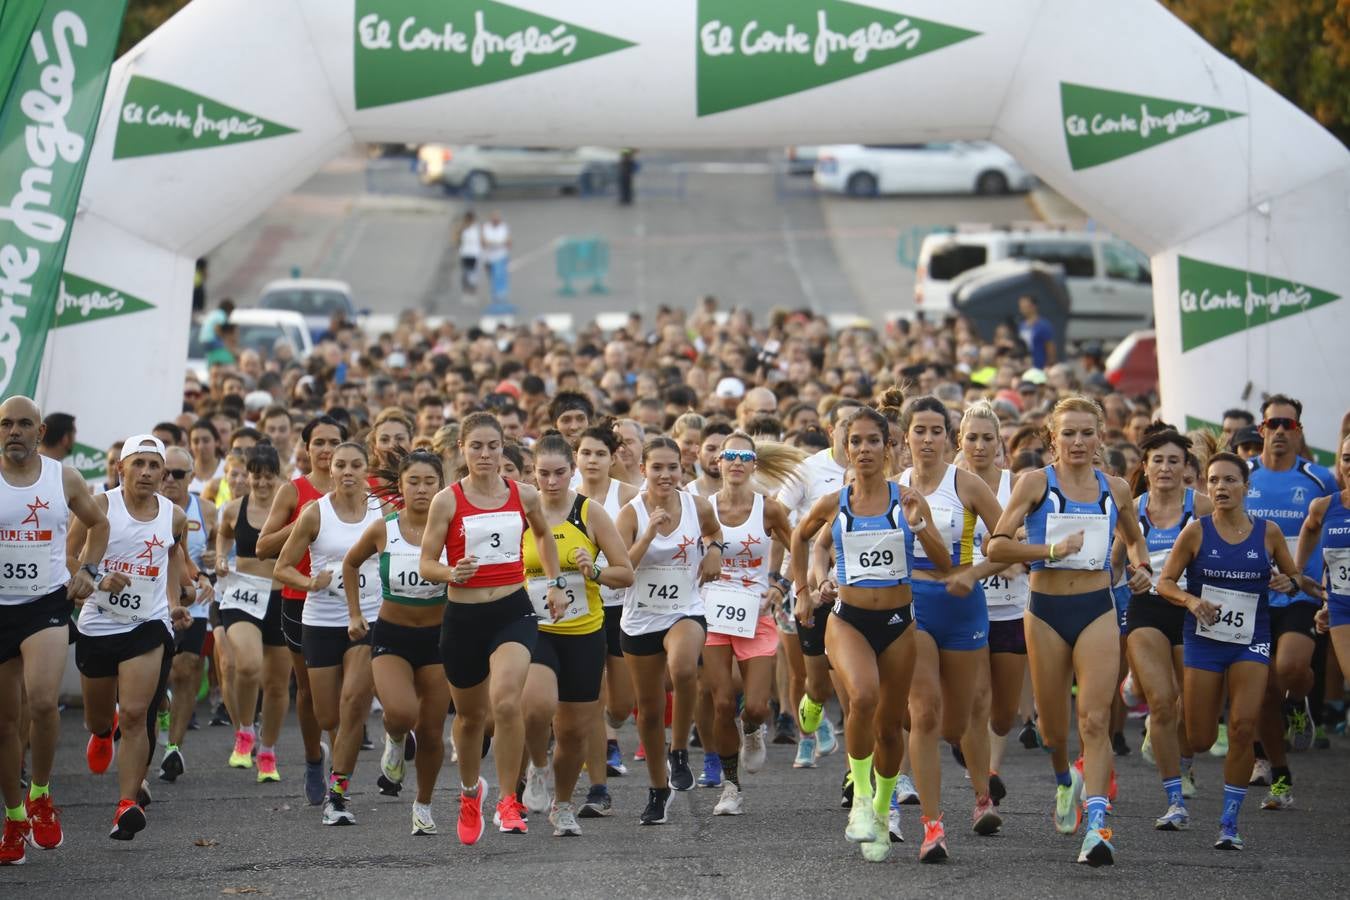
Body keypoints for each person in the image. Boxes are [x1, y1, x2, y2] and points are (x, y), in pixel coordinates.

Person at [987, 396, 1151, 867]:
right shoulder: (1035, 482)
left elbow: (1135, 538)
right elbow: (996, 545)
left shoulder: (1116, 488)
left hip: (1097, 608)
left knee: (1095, 719)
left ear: (1101, 436)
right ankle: (1065, 780)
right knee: (1053, 730)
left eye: (1087, 432)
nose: (1078, 442)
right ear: (1052, 438)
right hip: (1045, 612)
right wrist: (1051, 551)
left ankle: (1098, 825)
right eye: (1068, 433)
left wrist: (1139, 567)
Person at [792, 407, 949, 863]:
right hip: (848, 620)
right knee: (861, 698)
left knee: (890, 725)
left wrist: (919, 525)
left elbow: (941, 561)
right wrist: (804, 589)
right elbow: (800, 538)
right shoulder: (833, 502)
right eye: (855, 441)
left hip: (900, 623)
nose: (863, 449)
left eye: (872, 441)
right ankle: (861, 798)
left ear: (889, 447)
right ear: (845, 447)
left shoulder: (909, 499)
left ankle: (882, 812)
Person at [419, 412, 568, 844]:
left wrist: (556, 583)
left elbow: (543, 537)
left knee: (506, 702)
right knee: (469, 718)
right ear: (462, 450)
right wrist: (451, 573)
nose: (486, 455)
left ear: (504, 448)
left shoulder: (524, 495)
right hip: (463, 618)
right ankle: (471, 793)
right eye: (477, 447)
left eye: (493, 446)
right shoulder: (447, 500)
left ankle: (508, 799)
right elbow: (427, 562)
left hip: (512, 611)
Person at [1158, 452, 1301, 850]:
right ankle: (1183, 773)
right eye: (1213, 481)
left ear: (1245, 488)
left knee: (1241, 726)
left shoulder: (1268, 533)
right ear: (1205, 486)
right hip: (1204, 641)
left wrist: (1287, 584)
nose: (1220, 487)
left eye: (1229, 480)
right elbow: (1165, 582)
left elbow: (1292, 576)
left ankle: (1229, 822)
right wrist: (1189, 601)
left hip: (1250, 641)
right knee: (1201, 736)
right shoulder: (1196, 532)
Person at [0, 398, 107, 864]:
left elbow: (98, 524)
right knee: (4, 724)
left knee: (42, 701)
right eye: (6, 424)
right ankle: (14, 816)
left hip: (45, 602)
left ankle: (41, 794)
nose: (15, 431)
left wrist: (91, 571)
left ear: (40, 431)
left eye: (24, 424)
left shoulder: (62, 477)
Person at [897, 397, 1005, 848]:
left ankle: (982, 797)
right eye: (918, 430)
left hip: (962, 605)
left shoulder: (968, 485)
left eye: (935, 431)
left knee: (961, 722)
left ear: (949, 437)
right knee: (923, 713)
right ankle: (932, 825)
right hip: (912, 603)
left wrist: (974, 572)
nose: (927, 439)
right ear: (906, 437)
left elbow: (1006, 544)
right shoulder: (892, 487)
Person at [72, 435, 192, 841]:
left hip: (148, 623)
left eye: (154, 465)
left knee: (138, 713)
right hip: (99, 624)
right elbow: (67, 554)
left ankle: (126, 805)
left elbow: (172, 557)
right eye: (137, 463)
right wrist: (96, 578)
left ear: (163, 473)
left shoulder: (173, 516)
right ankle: (103, 732)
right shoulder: (102, 506)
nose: (146, 472)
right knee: (100, 717)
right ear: (121, 469)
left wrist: (174, 601)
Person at [518, 434, 633, 835]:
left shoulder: (591, 512)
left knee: (572, 731)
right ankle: (535, 765)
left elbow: (625, 572)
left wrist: (594, 571)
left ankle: (562, 805)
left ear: (572, 471)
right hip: (534, 628)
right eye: (544, 474)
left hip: (584, 631)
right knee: (536, 706)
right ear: (533, 473)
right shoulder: (520, 512)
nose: (551, 482)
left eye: (560, 473)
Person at [614, 436, 724, 825]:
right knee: (647, 710)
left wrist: (714, 552)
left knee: (682, 668)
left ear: (682, 469)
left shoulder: (697, 506)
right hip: (641, 616)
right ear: (643, 470)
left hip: (685, 608)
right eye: (656, 467)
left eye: (672, 467)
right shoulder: (630, 514)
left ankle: (679, 749)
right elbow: (619, 571)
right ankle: (658, 789)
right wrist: (648, 534)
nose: (665, 475)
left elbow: (714, 533)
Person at [274, 442, 382, 826]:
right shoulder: (314, 512)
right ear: (330, 469)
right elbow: (282, 568)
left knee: (353, 702)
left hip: (367, 617)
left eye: (356, 465)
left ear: (367, 469)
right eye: (341, 465)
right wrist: (309, 581)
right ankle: (325, 759)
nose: (348, 471)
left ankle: (338, 793)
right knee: (327, 714)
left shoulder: (381, 510)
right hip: (320, 619)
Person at [344, 450, 449, 836]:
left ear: (442, 485)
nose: (421, 490)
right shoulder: (383, 528)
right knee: (403, 713)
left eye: (429, 482)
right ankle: (394, 738)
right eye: (414, 482)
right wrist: (355, 614)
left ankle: (423, 804)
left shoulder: (453, 529)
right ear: (401, 486)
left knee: (433, 730)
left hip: (439, 638)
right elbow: (351, 563)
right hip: (392, 633)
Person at [1243, 395, 1334, 807]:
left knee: (1290, 669)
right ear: (1261, 430)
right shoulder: (1241, 476)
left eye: (1289, 425)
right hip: (1250, 596)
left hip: (1300, 593)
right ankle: (1278, 774)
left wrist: (1317, 580)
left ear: (1299, 432)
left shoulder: (1319, 480)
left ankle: (1297, 704)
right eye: (1273, 424)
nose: (1280, 431)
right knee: (1260, 691)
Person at [701, 433, 797, 816]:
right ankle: (730, 786)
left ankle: (753, 729)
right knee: (722, 702)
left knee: (755, 706)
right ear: (718, 463)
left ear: (754, 464)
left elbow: (800, 546)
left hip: (756, 614)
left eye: (745, 456)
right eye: (730, 456)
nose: (736, 462)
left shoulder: (768, 510)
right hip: (713, 613)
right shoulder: (702, 507)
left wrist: (782, 584)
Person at [1123, 428, 1213, 830]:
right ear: (1146, 466)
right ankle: (1174, 798)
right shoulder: (1133, 509)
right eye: (1157, 460)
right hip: (1147, 612)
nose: (1164, 467)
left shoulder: (1204, 508)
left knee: (1194, 721)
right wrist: (1128, 578)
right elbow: (1112, 563)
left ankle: (1186, 757)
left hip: (1194, 614)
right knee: (1162, 701)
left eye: (1173, 461)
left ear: (1186, 468)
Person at [257, 416, 347, 807]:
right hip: (301, 600)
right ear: (306, 448)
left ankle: (340, 772)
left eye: (334, 443)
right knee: (309, 688)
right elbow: (263, 547)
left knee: (351, 691)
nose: (327, 450)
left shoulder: (359, 490)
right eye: (320, 443)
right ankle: (315, 760)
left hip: (354, 600)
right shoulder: (294, 492)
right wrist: (305, 521)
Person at [779, 400, 861, 770]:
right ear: (832, 431)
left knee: (852, 683)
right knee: (810, 678)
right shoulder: (808, 470)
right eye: (845, 426)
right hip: (808, 583)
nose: (853, 435)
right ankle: (807, 734)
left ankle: (853, 769)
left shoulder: (879, 475)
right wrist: (800, 585)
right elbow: (785, 522)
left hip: (859, 592)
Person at [956, 402, 1028, 810]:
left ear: (999, 443)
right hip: (968, 607)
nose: (979, 446)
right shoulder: (950, 485)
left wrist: (1008, 550)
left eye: (987, 438)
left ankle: (983, 760)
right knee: (976, 698)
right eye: (971, 438)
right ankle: (986, 786)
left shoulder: (1015, 485)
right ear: (960, 441)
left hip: (1011, 608)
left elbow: (1027, 536)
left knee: (1002, 715)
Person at [573, 426, 640, 809]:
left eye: (600, 453)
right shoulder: (564, 496)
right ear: (576, 458)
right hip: (581, 609)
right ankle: (596, 773)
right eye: (585, 453)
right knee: (593, 698)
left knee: (619, 706)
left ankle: (607, 732)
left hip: (622, 604)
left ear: (613, 457)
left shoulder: (629, 496)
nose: (592, 460)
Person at [215, 445, 290, 782]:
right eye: (256, 476)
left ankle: (269, 752)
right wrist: (220, 558)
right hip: (243, 595)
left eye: (268, 477)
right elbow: (224, 534)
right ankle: (245, 731)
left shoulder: (291, 509)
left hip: (282, 598)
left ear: (279, 476)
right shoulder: (234, 508)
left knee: (276, 685)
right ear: (247, 476)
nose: (261, 483)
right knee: (247, 665)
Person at [156, 447, 217, 783]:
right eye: (165, 472)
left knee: (188, 667)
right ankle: (161, 714)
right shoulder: (147, 508)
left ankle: (173, 748)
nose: (169, 480)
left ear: (191, 478)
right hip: (152, 604)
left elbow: (213, 553)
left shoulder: (205, 510)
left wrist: (208, 574)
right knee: (156, 678)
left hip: (191, 600)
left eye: (178, 474)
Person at [1017, 295, 1057, 370]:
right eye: (1021, 307)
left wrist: (1049, 365)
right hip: (1024, 365)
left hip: (1039, 366)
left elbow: (1050, 347)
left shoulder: (1043, 326)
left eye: (1025, 306)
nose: (1022, 309)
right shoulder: (1021, 326)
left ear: (1033, 306)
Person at [481, 211, 511, 305]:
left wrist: (494, 243)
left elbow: (508, 242)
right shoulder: (486, 227)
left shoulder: (504, 227)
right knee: (492, 277)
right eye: (494, 219)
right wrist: (498, 243)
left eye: (497, 219)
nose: (496, 221)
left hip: (501, 256)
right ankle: (495, 294)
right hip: (489, 258)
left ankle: (501, 295)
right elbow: (483, 242)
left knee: (500, 275)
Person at [457, 211, 482, 299]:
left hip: (474, 253)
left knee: (473, 272)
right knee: (465, 272)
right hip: (465, 253)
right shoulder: (462, 228)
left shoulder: (477, 228)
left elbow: (481, 239)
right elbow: (456, 239)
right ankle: (466, 288)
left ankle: (472, 288)